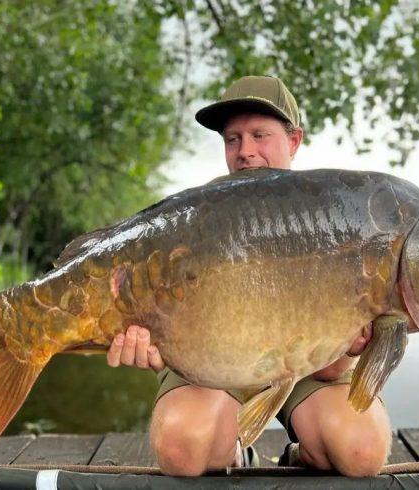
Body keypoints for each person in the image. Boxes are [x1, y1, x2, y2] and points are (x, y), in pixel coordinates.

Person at [106, 76, 392, 477]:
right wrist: (154, 349)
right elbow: (172, 335)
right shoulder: (196, 218)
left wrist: (348, 347)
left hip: (303, 364)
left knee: (361, 452)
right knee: (183, 451)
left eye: (260, 135)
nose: (246, 152)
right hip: (213, 360)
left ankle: (303, 456)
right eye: (233, 139)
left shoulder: (336, 219)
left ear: (294, 141)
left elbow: (329, 370)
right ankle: (236, 455)